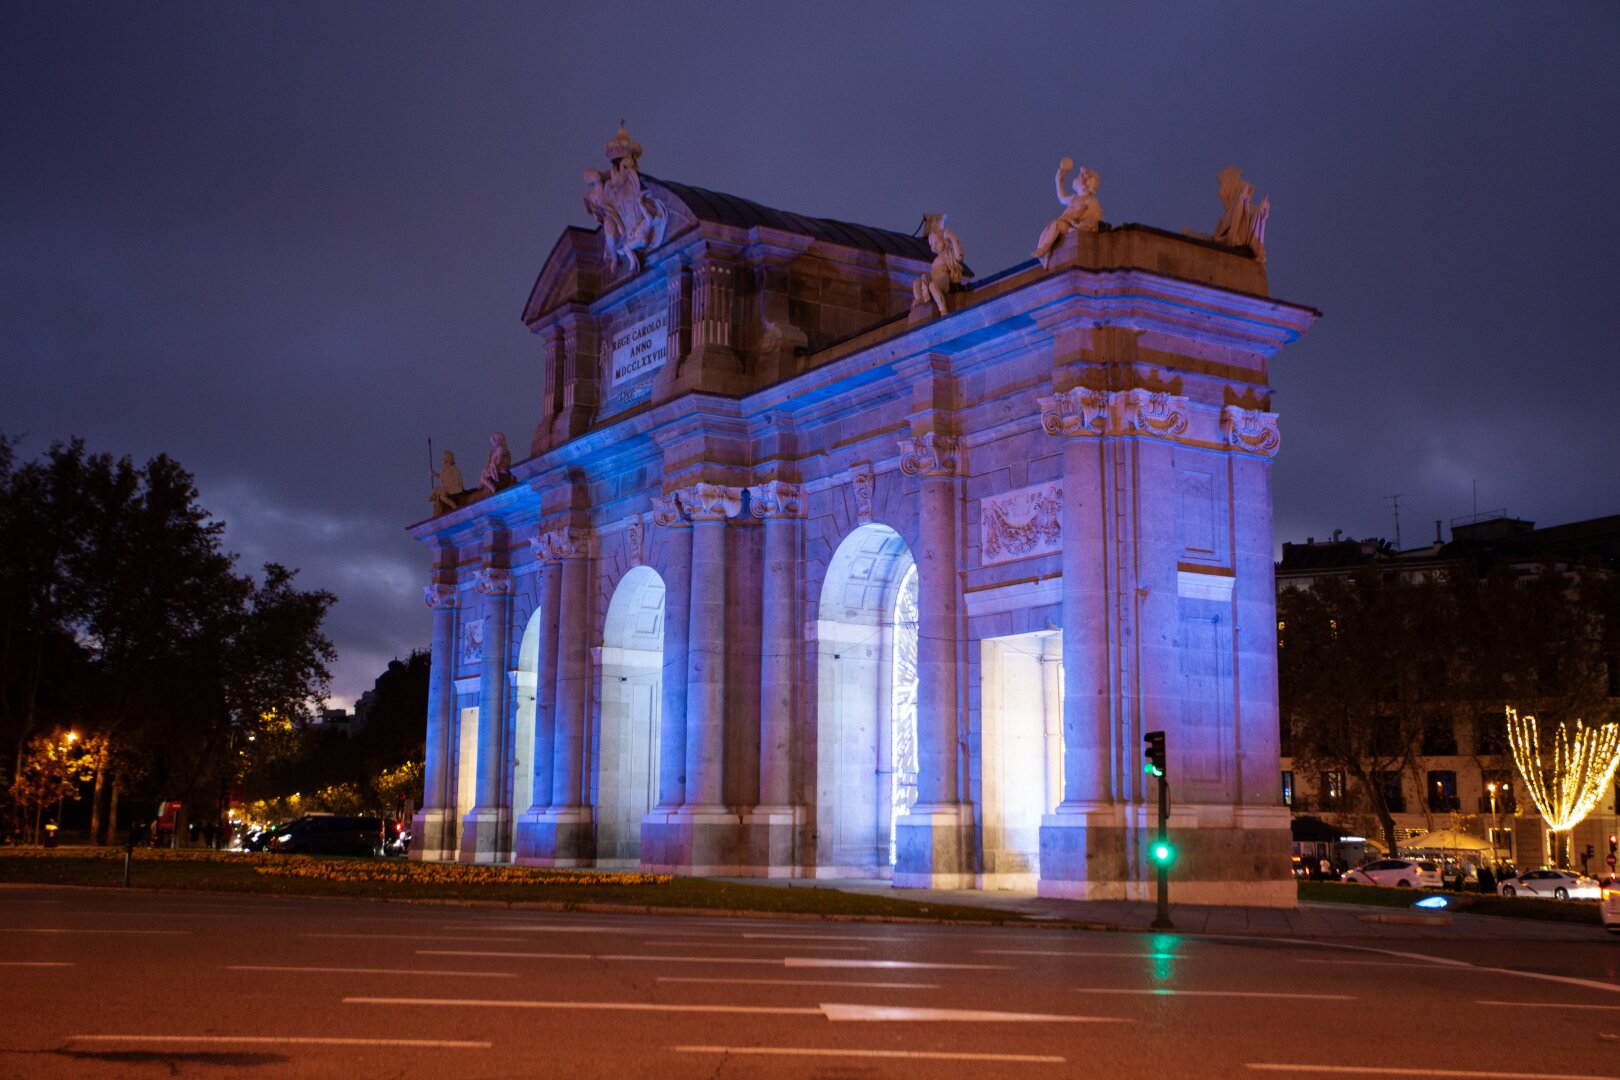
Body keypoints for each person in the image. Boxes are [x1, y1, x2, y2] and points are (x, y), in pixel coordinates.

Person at [1033, 157, 1102, 269]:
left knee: (1056, 224)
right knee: (1054, 225)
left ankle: (1044, 249)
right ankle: (1045, 249)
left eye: (1079, 177)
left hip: (1072, 226)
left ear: (1083, 186)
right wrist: (1058, 180)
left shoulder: (1090, 200)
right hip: (1066, 224)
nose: (1076, 178)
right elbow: (1062, 197)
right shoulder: (1074, 198)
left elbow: (1094, 217)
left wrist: (1080, 225)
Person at [429, 450, 463, 515]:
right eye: (443, 460)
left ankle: (455, 507)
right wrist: (434, 474)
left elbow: (456, 480)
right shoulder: (445, 470)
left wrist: (447, 486)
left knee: (442, 496)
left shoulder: (453, 469)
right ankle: (433, 497)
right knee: (435, 489)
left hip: (453, 488)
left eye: (444, 460)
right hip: (446, 488)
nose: (443, 462)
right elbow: (441, 476)